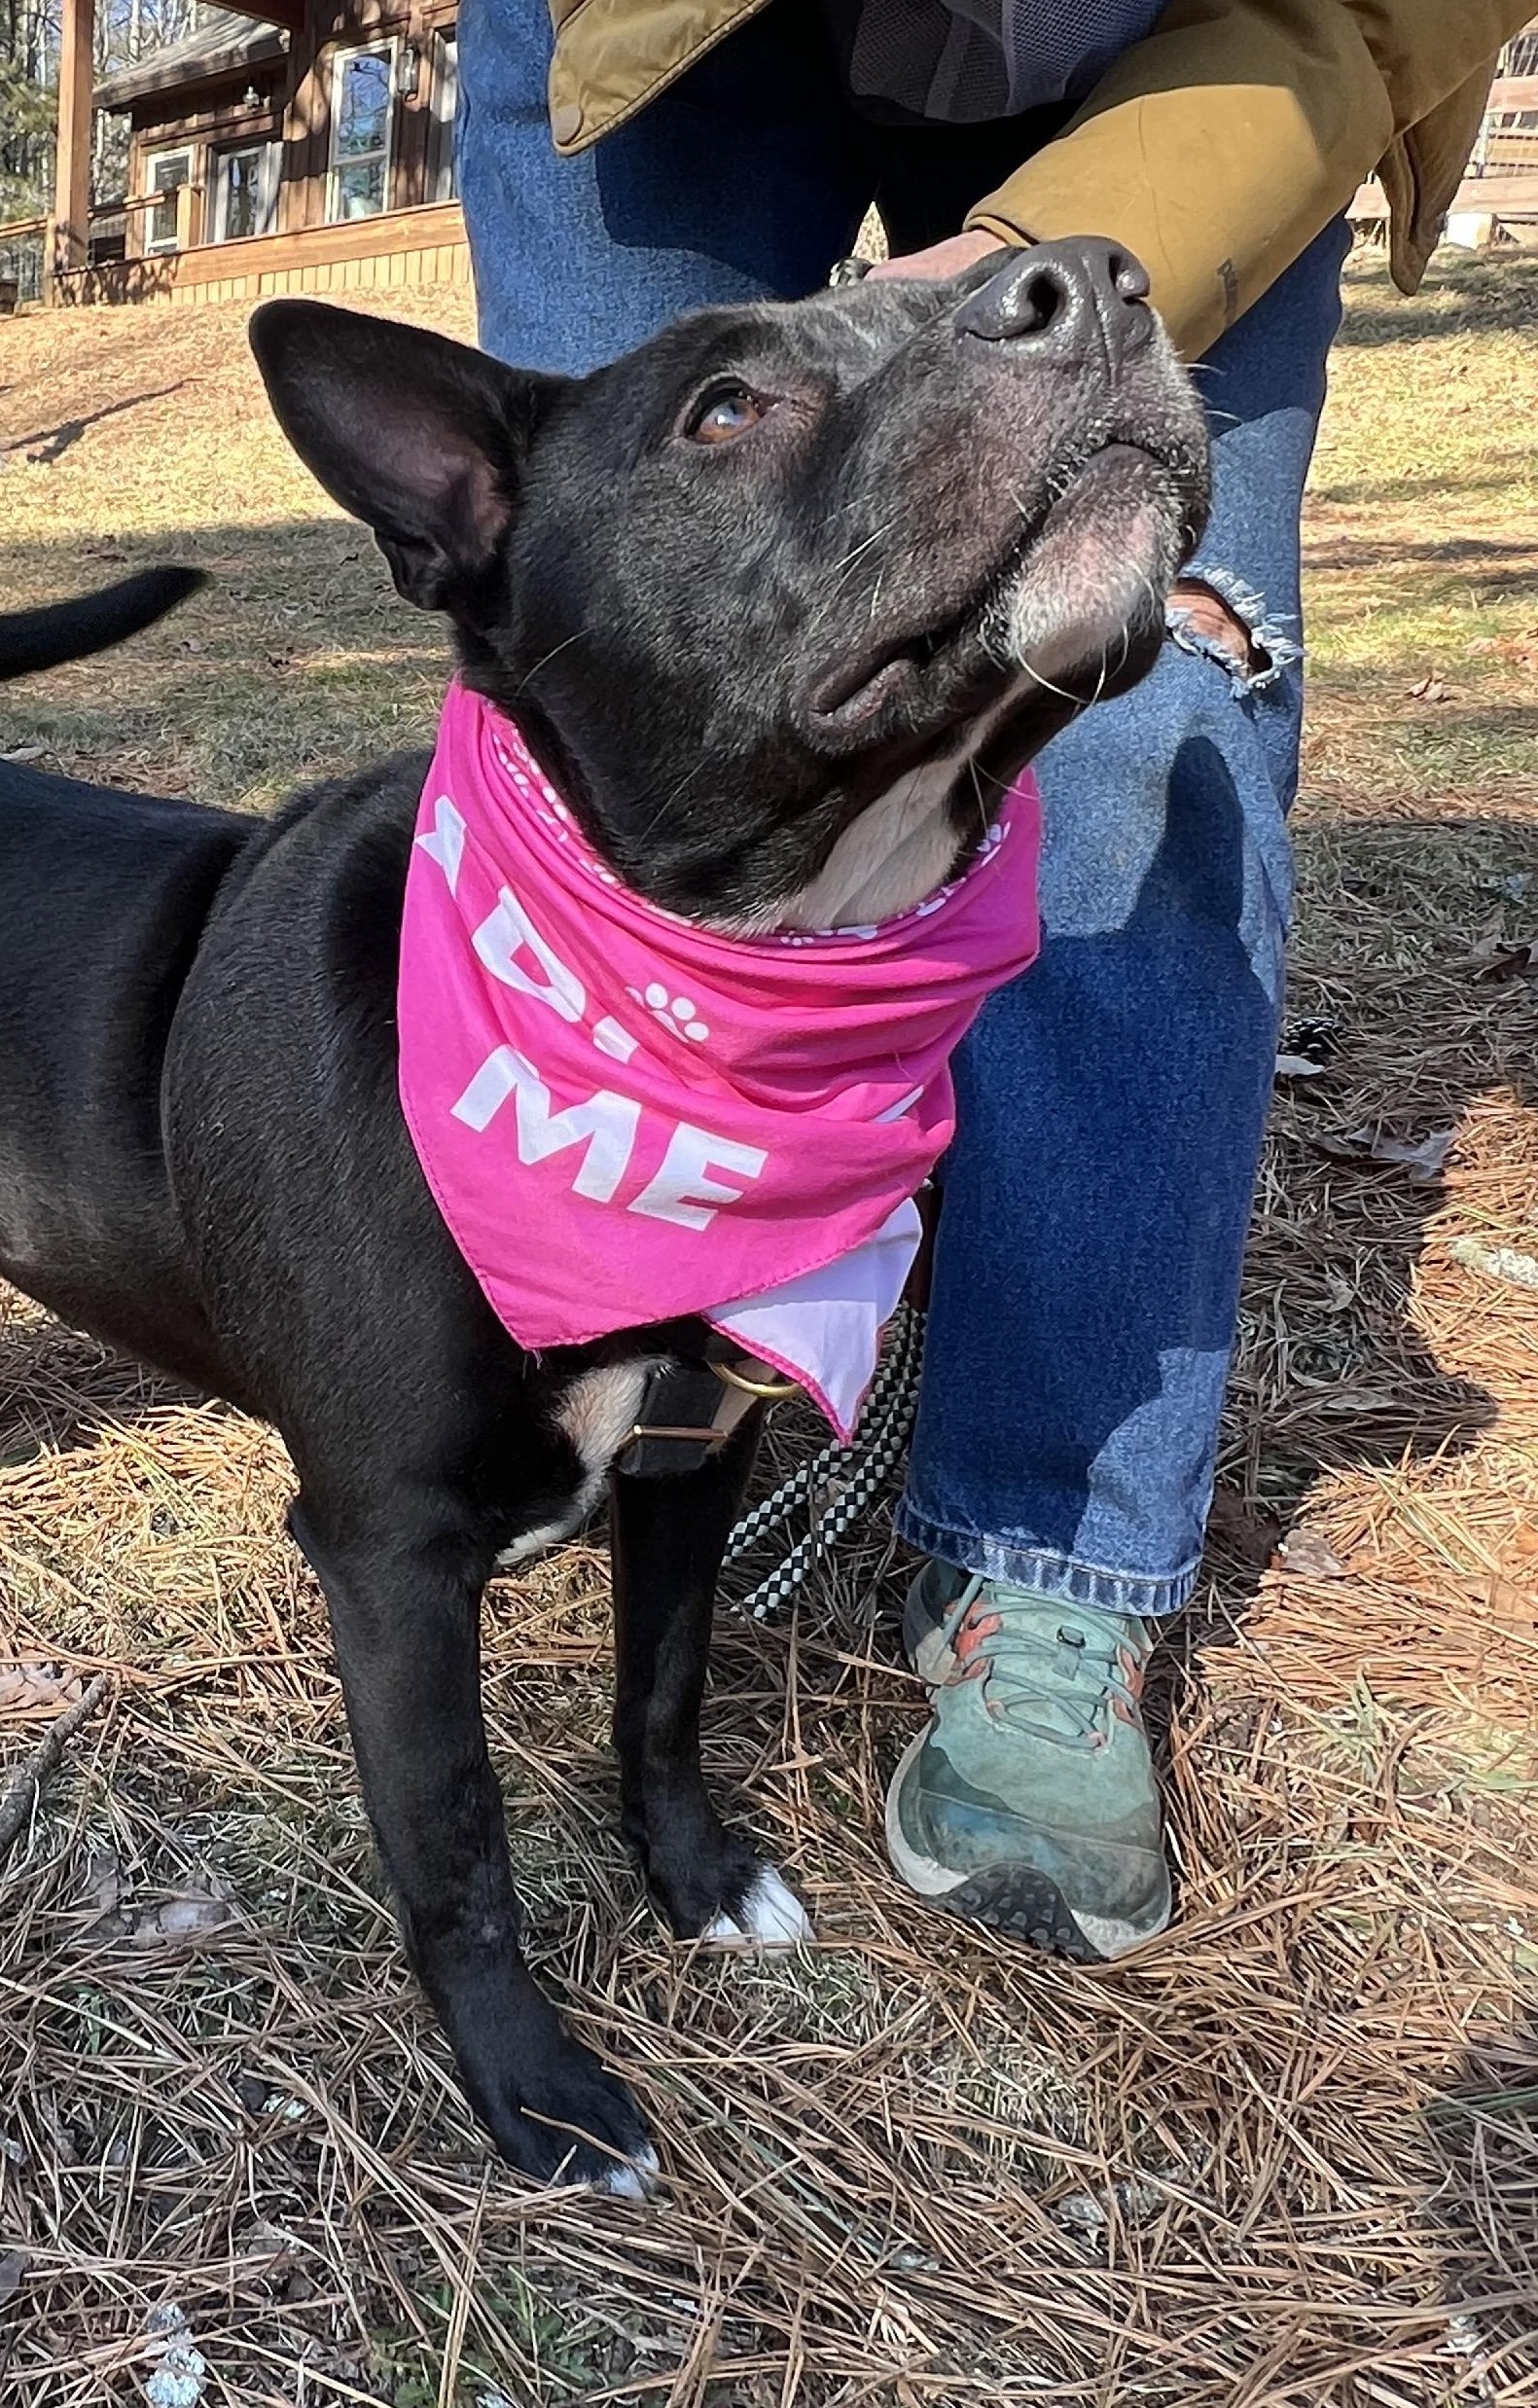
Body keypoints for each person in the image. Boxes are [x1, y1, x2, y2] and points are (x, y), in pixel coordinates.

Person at [454, 0, 1522, 1959]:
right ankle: (582, 1347)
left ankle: (1051, 1560)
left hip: (1216, 43)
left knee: (1146, 709)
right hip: (656, 42)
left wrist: (1027, 289)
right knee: (621, 662)